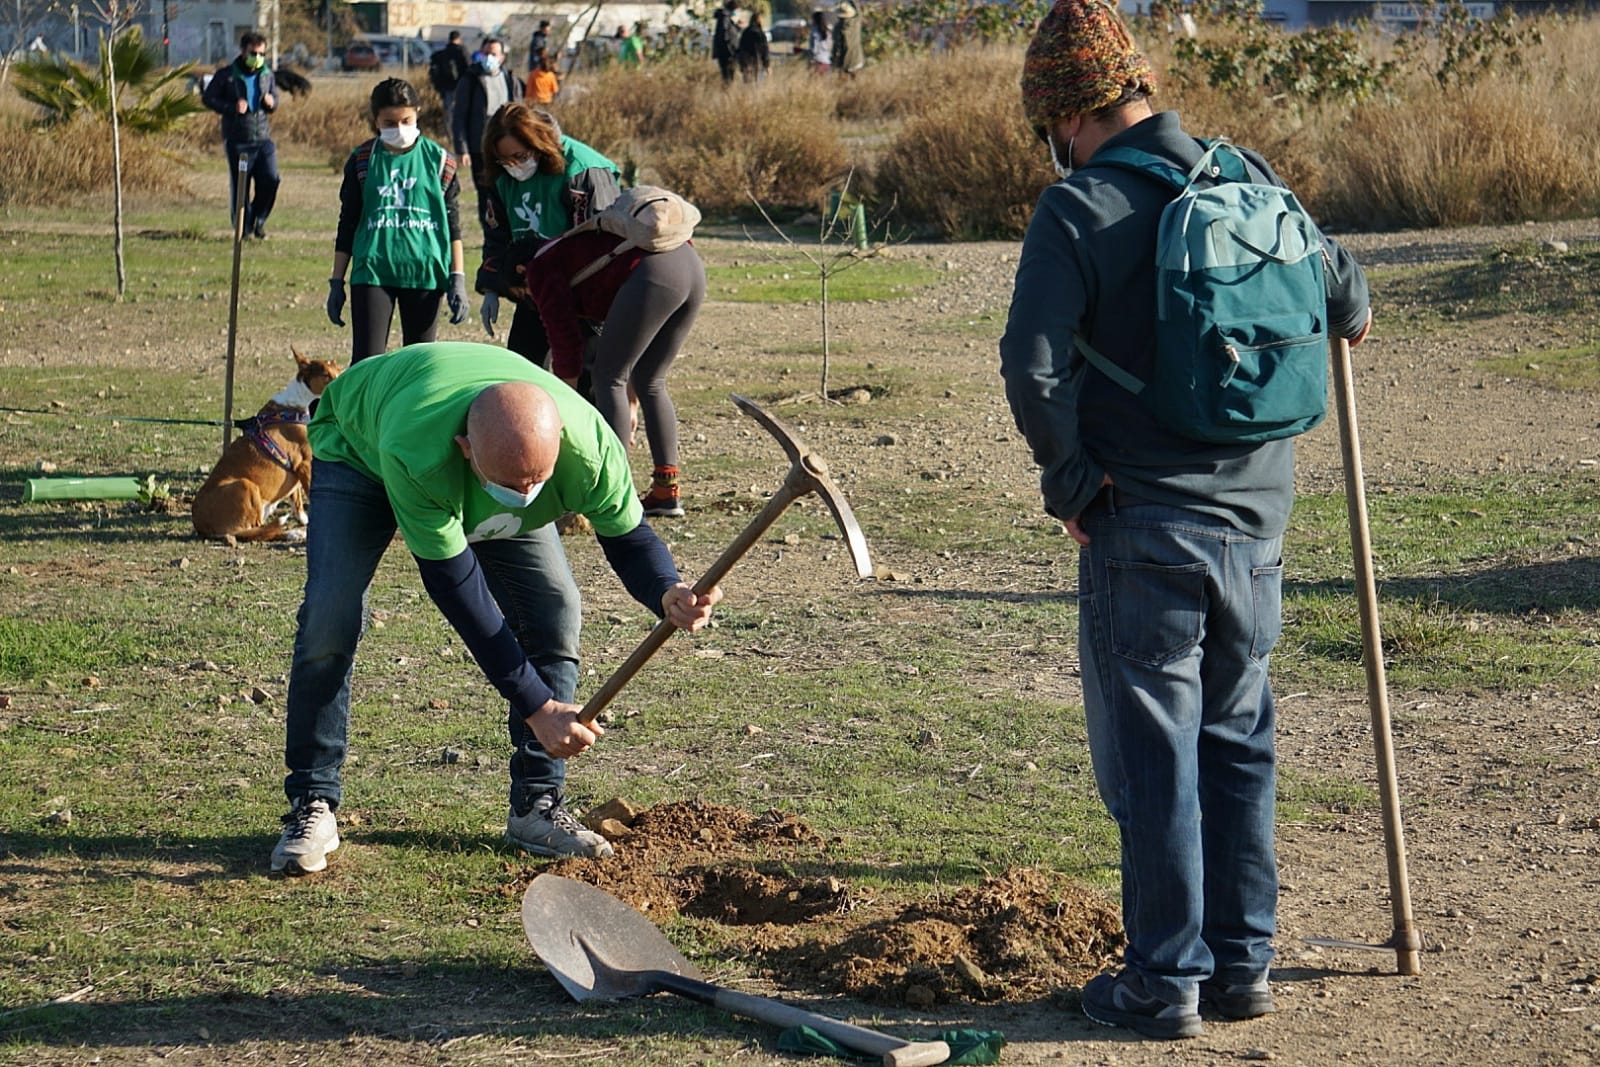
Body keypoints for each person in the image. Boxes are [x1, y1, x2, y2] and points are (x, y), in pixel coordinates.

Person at [998, 0, 1372, 1043]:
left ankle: (1163, 979)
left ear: (1064, 114)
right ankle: (1242, 963)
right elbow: (1347, 295)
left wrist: (1070, 484)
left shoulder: (1076, 208)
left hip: (1142, 520)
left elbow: (1029, 365)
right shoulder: (1248, 177)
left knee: (1155, 753)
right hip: (1258, 523)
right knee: (1238, 733)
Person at [270, 341, 723, 875]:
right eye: (513, 485)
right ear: (467, 448)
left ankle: (537, 805)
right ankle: (313, 802)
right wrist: (538, 705)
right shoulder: (418, 451)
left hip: (487, 457)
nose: (528, 494)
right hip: (359, 451)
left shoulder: (590, 447)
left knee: (555, 607)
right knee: (332, 615)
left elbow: (629, 539)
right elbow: (458, 590)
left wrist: (666, 590)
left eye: (540, 481)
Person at [522, 216, 706, 517]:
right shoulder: (574, 249)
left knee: (608, 377)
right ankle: (666, 491)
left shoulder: (539, 267)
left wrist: (561, 410)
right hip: (690, 264)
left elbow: (566, 344)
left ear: (519, 270)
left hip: (655, 272)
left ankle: (614, 493)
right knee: (650, 380)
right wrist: (629, 404)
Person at [326, 78, 469, 363]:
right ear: (375, 120)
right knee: (366, 363)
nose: (399, 129)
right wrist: (336, 281)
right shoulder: (362, 160)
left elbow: (452, 225)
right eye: (389, 122)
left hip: (425, 274)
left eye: (406, 120)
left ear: (417, 113)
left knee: (416, 365)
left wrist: (458, 278)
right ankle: (366, 410)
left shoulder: (441, 162)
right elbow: (348, 223)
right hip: (373, 272)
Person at [474, 103, 620, 367]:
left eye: (519, 156)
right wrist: (492, 286)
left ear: (538, 143)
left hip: (584, 298)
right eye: (504, 160)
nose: (514, 166)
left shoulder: (583, 170)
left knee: (587, 381)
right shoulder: (502, 179)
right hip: (536, 291)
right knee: (523, 370)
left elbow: (603, 243)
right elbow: (497, 235)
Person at [201, 31, 279, 239]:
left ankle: (259, 219)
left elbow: (275, 99)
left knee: (271, 179)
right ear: (243, 51)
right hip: (237, 140)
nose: (258, 57)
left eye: (262, 53)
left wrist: (272, 103)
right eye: (254, 53)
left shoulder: (267, 75)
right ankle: (243, 229)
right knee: (241, 186)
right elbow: (208, 98)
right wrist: (231, 107)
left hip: (262, 138)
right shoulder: (226, 75)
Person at [451, 37, 523, 233]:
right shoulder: (471, 79)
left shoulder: (510, 79)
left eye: (494, 53)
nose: (490, 57)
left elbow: (520, 112)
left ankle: (511, 229)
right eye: (486, 53)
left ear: (502, 57)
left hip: (508, 146)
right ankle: (490, 233)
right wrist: (462, 148)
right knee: (485, 192)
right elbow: (459, 116)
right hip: (480, 146)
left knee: (509, 189)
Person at [428, 31, 471, 120]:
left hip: (446, 86)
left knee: (449, 110)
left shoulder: (443, 53)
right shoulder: (462, 50)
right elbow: (469, 67)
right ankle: (457, 131)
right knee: (461, 111)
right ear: (459, 39)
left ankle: (450, 131)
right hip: (460, 85)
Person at [831, 1, 865, 76]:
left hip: (846, 62)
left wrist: (834, 62)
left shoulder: (838, 28)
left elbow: (835, 47)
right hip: (854, 61)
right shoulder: (855, 23)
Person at [712, 0, 740, 84]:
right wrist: (732, 52)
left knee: (727, 78)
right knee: (728, 78)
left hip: (726, 54)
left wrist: (736, 27)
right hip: (727, 54)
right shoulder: (725, 19)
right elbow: (725, 37)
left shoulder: (726, 19)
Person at [736, 13, 770, 83]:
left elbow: (740, 48)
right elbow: (765, 50)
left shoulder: (745, 32)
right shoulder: (760, 33)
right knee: (757, 85)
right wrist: (767, 65)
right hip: (758, 63)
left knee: (747, 85)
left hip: (746, 63)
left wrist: (741, 63)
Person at [807, 10, 832, 76]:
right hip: (827, 62)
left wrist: (807, 53)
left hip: (817, 62)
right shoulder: (828, 31)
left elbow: (815, 49)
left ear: (815, 20)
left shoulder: (814, 32)